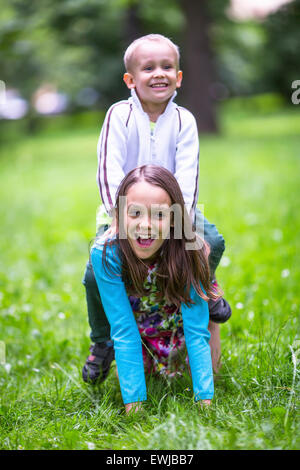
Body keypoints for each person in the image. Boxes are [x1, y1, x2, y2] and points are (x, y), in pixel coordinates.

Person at [82, 34, 231, 384]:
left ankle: (203, 289)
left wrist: (182, 224)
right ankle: (102, 341)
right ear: (130, 80)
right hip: (126, 214)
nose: (159, 73)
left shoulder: (184, 120)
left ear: (179, 77)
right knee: (94, 271)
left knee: (213, 239)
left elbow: (188, 175)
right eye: (148, 68)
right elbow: (109, 169)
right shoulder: (118, 115)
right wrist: (119, 218)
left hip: (174, 214)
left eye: (167, 66)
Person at [90, 165, 217, 412]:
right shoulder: (105, 254)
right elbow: (123, 330)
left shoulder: (191, 250)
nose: (145, 225)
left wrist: (205, 400)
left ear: (174, 219)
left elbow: (195, 330)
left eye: (159, 215)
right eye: (135, 213)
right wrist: (134, 406)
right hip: (138, 321)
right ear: (118, 216)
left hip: (178, 317)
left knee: (199, 364)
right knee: (145, 372)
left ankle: (214, 303)